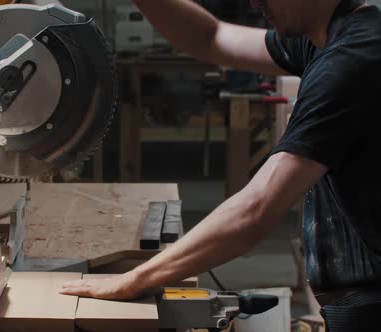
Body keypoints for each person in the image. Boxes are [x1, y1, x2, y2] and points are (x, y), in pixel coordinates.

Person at [60, 0, 381, 330]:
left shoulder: (354, 57)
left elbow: (256, 210)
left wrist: (134, 279)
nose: (254, 2)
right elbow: (210, 37)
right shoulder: (327, 37)